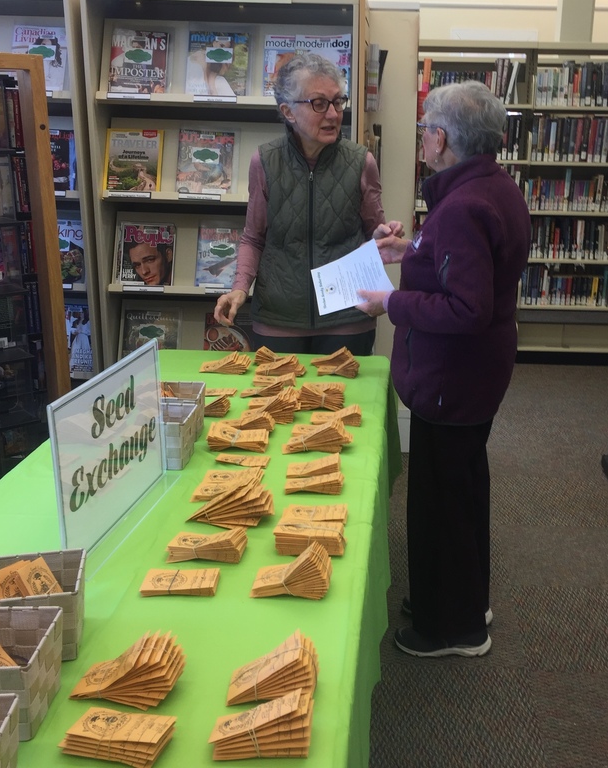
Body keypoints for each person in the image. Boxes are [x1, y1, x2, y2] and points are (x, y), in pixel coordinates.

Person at [357, 80, 531, 658]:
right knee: (462, 489)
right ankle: (462, 599)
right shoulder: (488, 187)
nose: (423, 138)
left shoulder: (463, 205)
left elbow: (465, 308)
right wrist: (414, 254)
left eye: (426, 128)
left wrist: (390, 303)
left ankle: (450, 628)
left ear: (442, 138)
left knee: (440, 502)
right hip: (471, 377)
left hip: (452, 380)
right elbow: (466, 268)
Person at [212, 52, 402, 355]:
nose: (333, 114)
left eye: (338, 102)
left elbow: (374, 235)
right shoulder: (264, 161)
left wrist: (380, 240)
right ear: (288, 111)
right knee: (280, 402)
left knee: (347, 402)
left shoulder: (361, 161)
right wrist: (239, 288)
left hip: (348, 318)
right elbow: (253, 237)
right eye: (319, 103)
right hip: (278, 318)